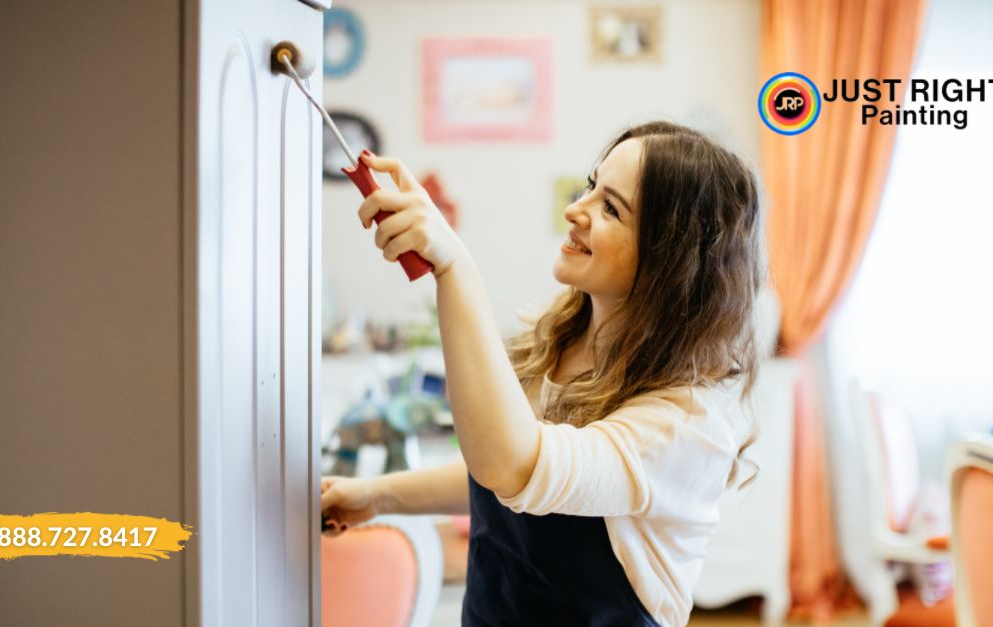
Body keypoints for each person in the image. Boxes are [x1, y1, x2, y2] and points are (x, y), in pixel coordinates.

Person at [321, 120, 764, 627]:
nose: (576, 210)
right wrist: (376, 496)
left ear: (671, 259)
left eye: (610, 208)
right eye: (592, 187)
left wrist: (454, 267)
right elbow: (493, 476)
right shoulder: (555, 339)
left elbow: (517, 467)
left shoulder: (685, 424)